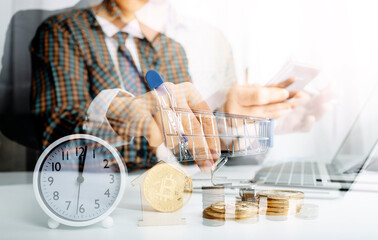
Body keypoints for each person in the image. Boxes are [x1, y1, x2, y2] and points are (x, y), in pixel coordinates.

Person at [30, 0, 326, 173]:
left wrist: (234, 124)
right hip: (96, 190)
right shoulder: (63, 30)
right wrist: (114, 115)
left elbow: (185, 141)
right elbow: (54, 131)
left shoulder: (171, 47)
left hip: (172, 196)